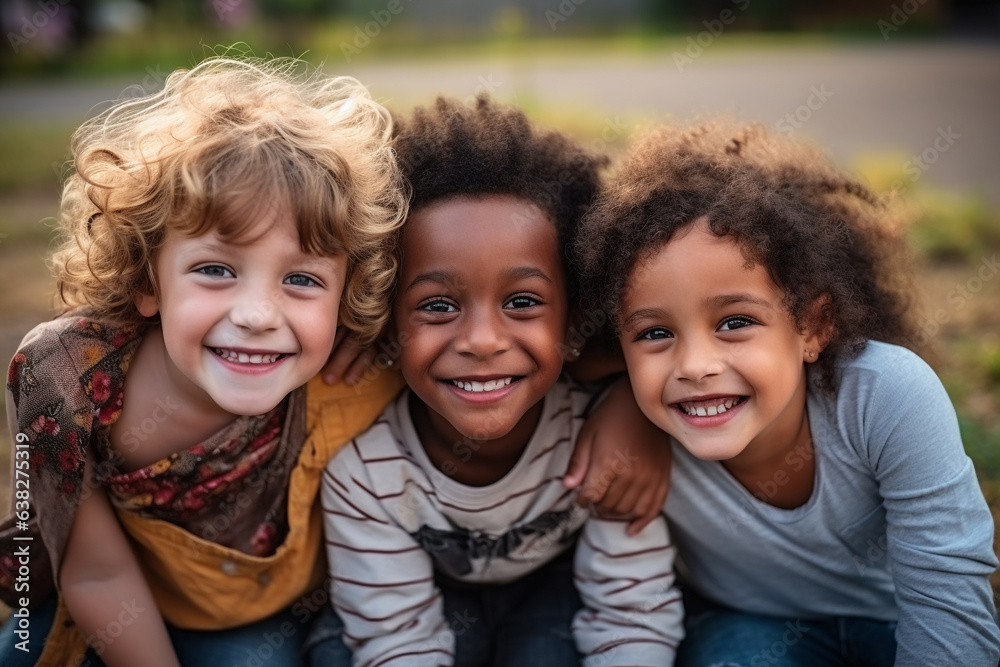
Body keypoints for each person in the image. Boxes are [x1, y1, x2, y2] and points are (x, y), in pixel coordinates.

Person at [0, 54, 409, 667]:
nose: (257, 314)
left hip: (248, 616)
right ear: (148, 281)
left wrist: (615, 404)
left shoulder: (354, 373)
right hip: (102, 599)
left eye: (301, 279)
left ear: (347, 297)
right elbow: (95, 575)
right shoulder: (63, 380)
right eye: (216, 269)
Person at [573, 118, 1000, 666]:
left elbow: (950, 606)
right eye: (656, 333)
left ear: (812, 327)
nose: (696, 366)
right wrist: (620, 402)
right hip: (749, 630)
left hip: (899, 620)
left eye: (735, 322)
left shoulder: (887, 394)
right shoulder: (635, 426)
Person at [309, 96, 684, 667]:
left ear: (577, 313)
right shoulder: (364, 474)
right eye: (437, 304)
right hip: (414, 601)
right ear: (385, 319)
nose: (482, 340)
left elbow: (631, 613)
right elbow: (398, 640)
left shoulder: (602, 435)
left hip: (553, 594)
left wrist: (633, 408)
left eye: (523, 301)